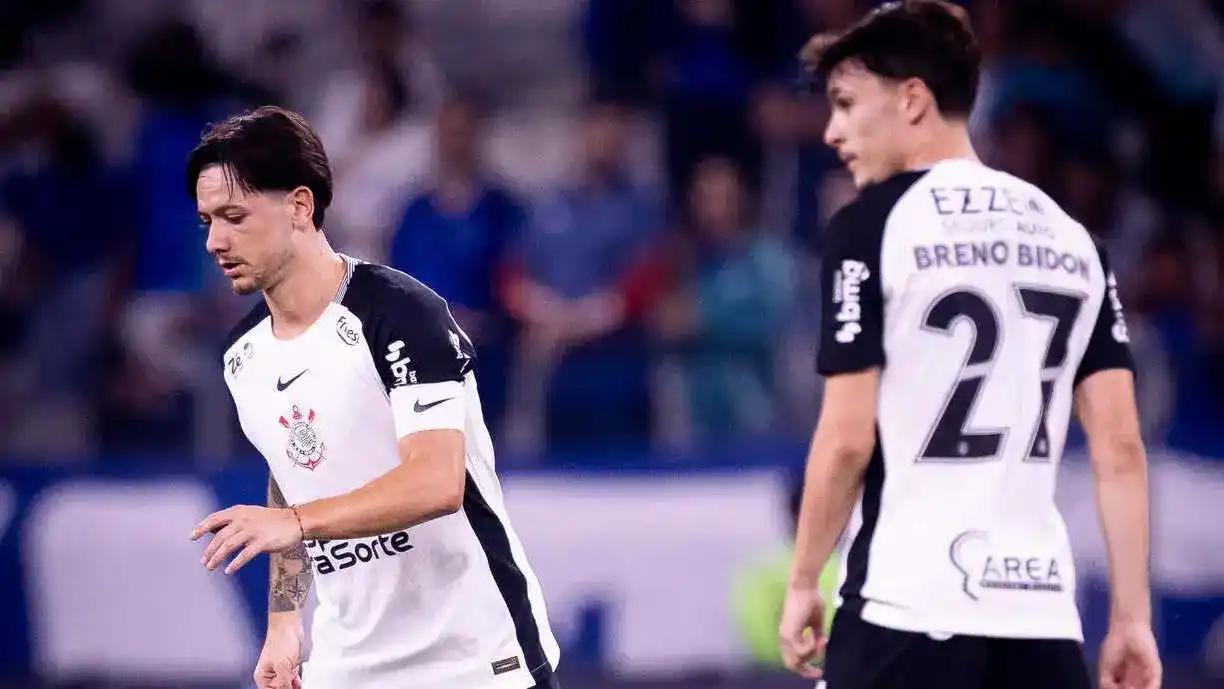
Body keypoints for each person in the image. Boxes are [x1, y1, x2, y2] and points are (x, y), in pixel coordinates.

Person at [777, 3, 1161, 689]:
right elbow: (1121, 447)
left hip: (907, 607)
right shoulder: (1073, 238)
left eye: (845, 104)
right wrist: (1132, 619)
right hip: (1041, 623)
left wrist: (805, 574)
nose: (832, 131)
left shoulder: (871, 226)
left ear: (913, 100)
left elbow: (845, 438)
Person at [185, 106, 560, 689]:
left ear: (300, 207)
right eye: (207, 221)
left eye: (235, 217)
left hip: (474, 661)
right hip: (347, 667)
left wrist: (297, 524)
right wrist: (284, 624)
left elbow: (438, 482)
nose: (216, 241)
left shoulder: (398, 314)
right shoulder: (243, 357)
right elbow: (294, 477)